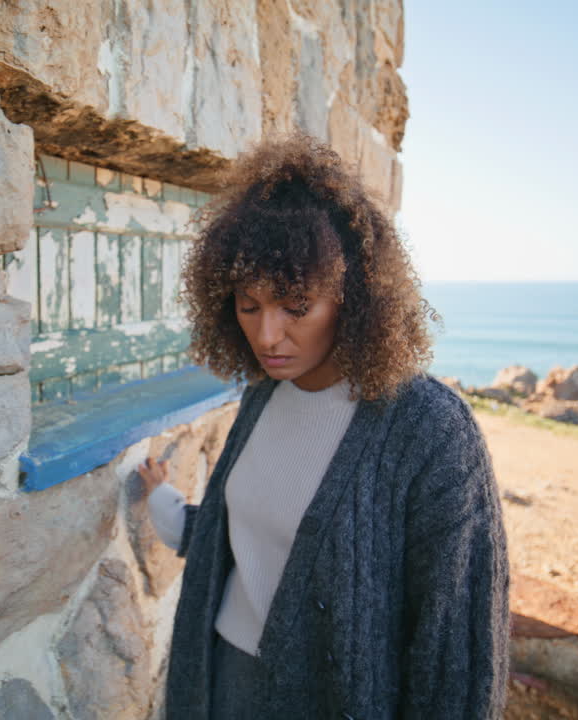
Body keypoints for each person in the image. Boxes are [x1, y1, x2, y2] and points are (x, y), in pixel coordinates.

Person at [137, 135, 509, 719]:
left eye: (295, 305)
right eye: (248, 305)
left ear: (351, 297)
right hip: (218, 679)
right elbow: (242, 539)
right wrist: (165, 504)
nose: (266, 336)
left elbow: (452, 640)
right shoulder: (263, 397)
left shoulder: (429, 429)